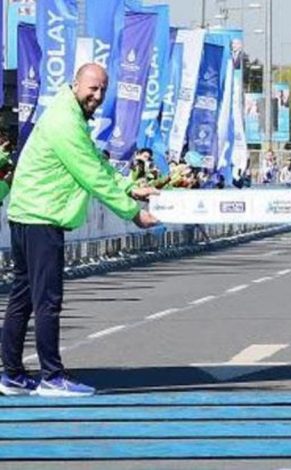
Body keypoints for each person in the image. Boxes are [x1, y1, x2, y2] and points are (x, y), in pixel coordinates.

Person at [0, 63, 159, 398]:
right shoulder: (65, 123)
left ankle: (12, 375)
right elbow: (91, 174)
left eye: (103, 89)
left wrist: (131, 187)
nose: (97, 96)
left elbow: (98, 164)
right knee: (47, 300)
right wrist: (133, 214)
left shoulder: (68, 114)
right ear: (76, 85)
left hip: (29, 215)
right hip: (42, 217)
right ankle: (52, 377)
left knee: (24, 297)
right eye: (92, 88)